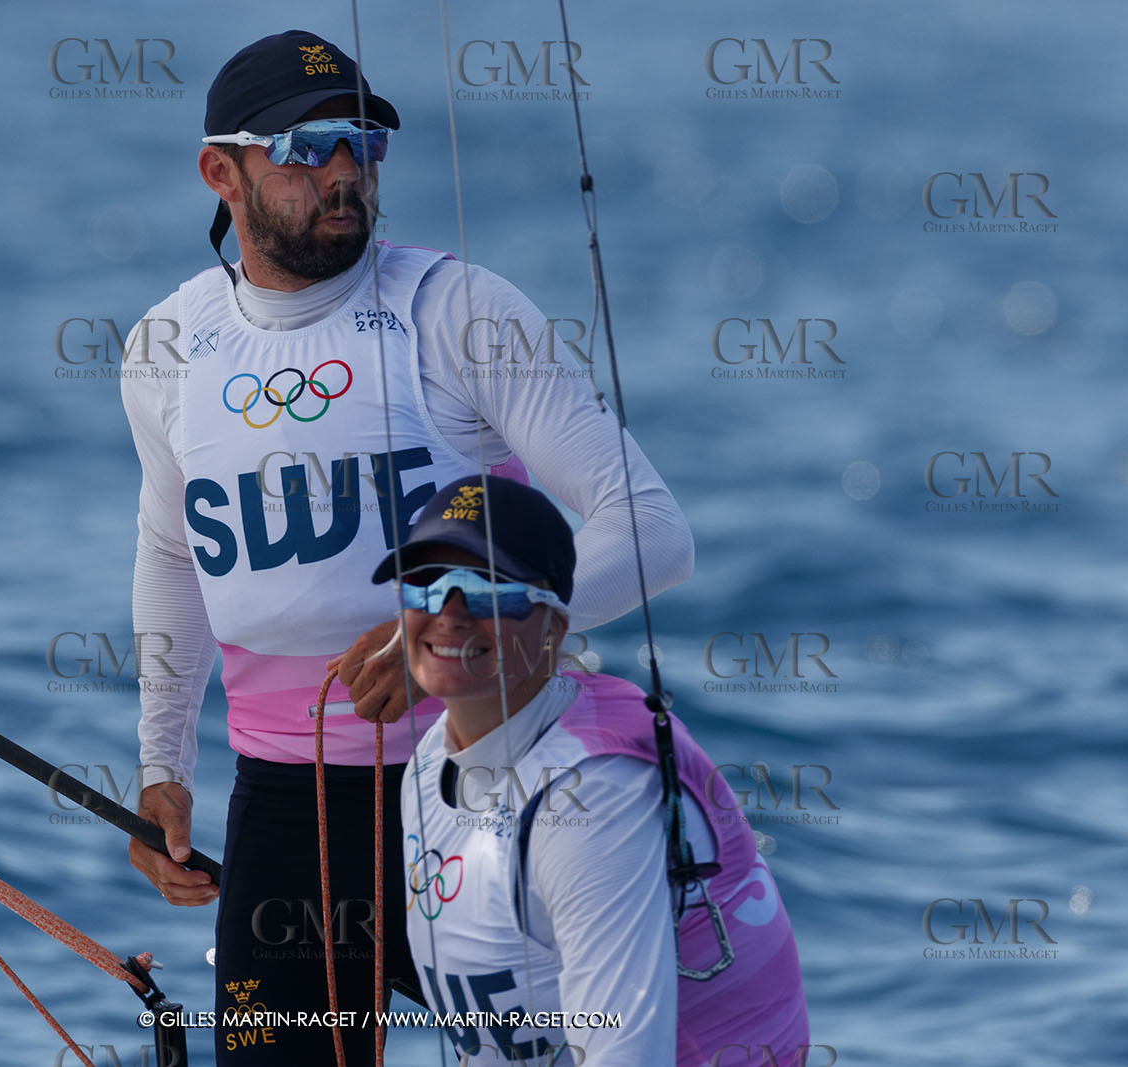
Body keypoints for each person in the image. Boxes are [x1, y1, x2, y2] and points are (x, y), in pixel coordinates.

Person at [117, 28, 696, 1065]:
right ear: (220, 172)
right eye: (307, 149)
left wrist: (443, 628)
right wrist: (163, 762)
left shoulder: (461, 313)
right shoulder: (165, 346)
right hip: (285, 810)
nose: (345, 171)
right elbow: (170, 555)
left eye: (364, 143)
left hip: (483, 784)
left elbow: (652, 532)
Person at [373, 474, 810, 1065]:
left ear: (554, 628)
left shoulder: (594, 797)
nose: (449, 612)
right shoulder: (430, 758)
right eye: (425, 583)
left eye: (490, 590)